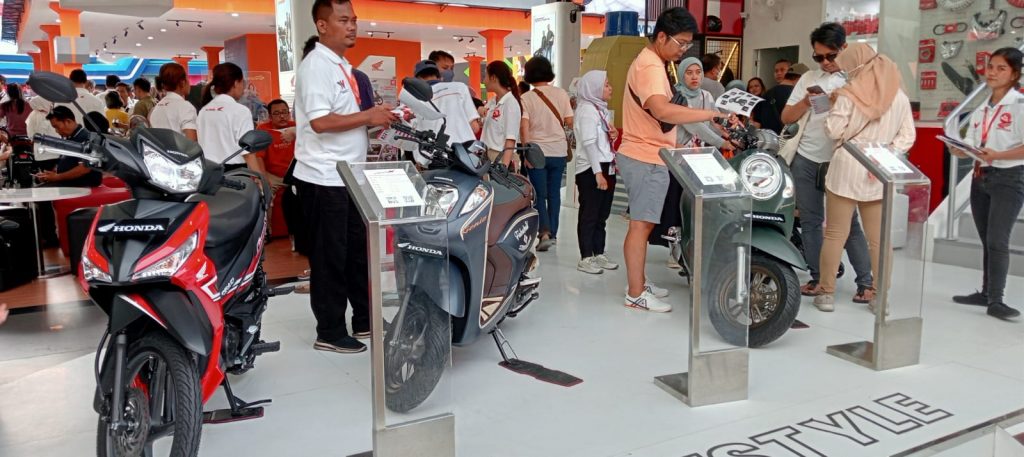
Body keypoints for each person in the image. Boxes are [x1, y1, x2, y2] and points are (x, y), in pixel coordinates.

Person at [295, 0, 397, 354]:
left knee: (357, 252)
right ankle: (330, 330)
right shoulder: (316, 66)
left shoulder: (343, 67)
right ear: (322, 25)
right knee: (330, 257)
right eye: (343, 20)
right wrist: (369, 117)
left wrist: (382, 117)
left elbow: (347, 119)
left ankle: (365, 320)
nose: (352, 26)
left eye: (354, 19)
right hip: (323, 177)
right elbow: (320, 122)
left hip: (350, 177)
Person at [618, 7, 727, 312]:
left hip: (651, 153)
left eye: (688, 44)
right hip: (645, 154)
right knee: (641, 226)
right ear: (662, 36)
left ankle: (639, 282)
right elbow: (662, 110)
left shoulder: (656, 63)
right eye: (680, 43)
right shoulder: (651, 67)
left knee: (644, 225)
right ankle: (635, 293)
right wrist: (710, 113)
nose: (683, 50)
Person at [814, 43, 915, 313]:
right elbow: (907, 136)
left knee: (835, 234)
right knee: (879, 240)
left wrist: (831, 108)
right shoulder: (899, 97)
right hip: (877, 171)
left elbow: (834, 131)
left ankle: (826, 293)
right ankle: (880, 298)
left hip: (847, 167)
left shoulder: (849, 94)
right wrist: (884, 155)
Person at [781, 23, 874, 306]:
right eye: (818, 56)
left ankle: (866, 283)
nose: (824, 62)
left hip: (841, 160)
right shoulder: (809, 78)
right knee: (810, 221)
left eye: (830, 56)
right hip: (805, 158)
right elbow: (786, 117)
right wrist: (806, 102)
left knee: (848, 224)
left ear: (844, 48)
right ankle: (818, 277)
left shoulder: (858, 78)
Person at [950, 47, 1024, 321]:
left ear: (1014, 74)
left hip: (1009, 177)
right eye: (990, 66)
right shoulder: (983, 106)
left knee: (997, 240)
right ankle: (985, 292)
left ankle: (997, 299)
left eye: (1001, 68)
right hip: (981, 176)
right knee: (986, 239)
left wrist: (998, 155)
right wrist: (961, 149)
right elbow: (974, 142)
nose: (992, 73)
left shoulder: (1019, 105)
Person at [520, 56, 574, 252]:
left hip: (537, 151)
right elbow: (570, 122)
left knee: (539, 194)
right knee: (554, 194)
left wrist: (526, 152)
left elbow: (524, 127)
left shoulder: (526, 98)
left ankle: (544, 232)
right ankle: (553, 233)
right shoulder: (561, 94)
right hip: (558, 151)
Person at [33, 106, 104, 245]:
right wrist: (54, 174)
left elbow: (85, 168)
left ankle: (50, 238)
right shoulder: (72, 138)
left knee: (40, 193)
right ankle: (45, 235)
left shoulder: (86, 138)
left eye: (57, 127)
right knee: (39, 188)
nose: (56, 131)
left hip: (84, 181)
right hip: (71, 179)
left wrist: (57, 177)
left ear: (68, 121)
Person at [574, 70, 620, 275]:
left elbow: (600, 141)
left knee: (602, 214)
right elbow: (590, 144)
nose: (610, 88)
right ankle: (586, 257)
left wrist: (613, 134)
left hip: (605, 164)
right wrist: (597, 173)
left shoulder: (600, 109)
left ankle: (599, 252)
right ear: (594, 88)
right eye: (606, 84)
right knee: (590, 214)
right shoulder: (586, 110)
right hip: (591, 169)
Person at [198, 62, 269, 182]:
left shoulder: (204, 110)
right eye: (242, 83)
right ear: (236, 83)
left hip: (207, 172)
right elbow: (247, 151)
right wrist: (260, 179)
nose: (243, 88)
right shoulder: (240, 111)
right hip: (235, 173)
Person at [411, 59, 481, 153]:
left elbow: (411, 133)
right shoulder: (459, 88)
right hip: (464, 153)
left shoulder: (414, 97)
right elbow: (475, 127)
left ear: (418, 79)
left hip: (430, 155)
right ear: (439, 77)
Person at [481, 60, 522, 166]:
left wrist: (504, 167)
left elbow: (510, 140)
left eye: (485, 76)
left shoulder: (510, 103)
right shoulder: (492, 102)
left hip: (500, 158)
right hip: (487, 156)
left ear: (493, 78)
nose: (483, 81)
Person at [149, 63, 198, 141]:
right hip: (180, 149)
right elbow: (191, 142)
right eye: (187, 78)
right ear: (182, 82)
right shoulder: (185, 107)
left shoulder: (156, 108)